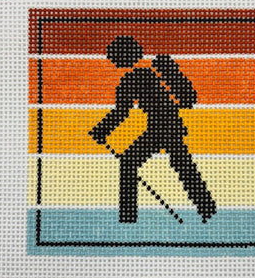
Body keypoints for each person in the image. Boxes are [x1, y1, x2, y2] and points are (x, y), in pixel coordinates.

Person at [89, 36, 216, 223]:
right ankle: (207, 207)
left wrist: (102, 130)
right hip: (170, 126)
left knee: (130, 163)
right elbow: (189, 98)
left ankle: (128, 216)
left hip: (160, 128)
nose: (113, 61)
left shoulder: (132, 79)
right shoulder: (157, 67)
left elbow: (121, 112)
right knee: (182, 165)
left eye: (115, 57)